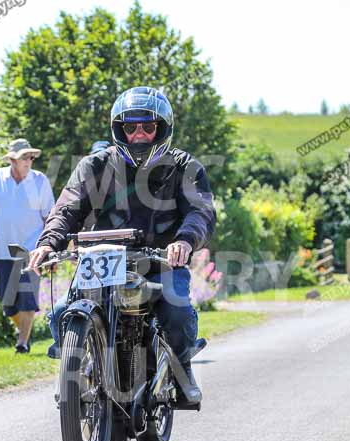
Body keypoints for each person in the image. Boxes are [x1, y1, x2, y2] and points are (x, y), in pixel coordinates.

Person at [27, 86, 216, 405]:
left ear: (162, 128)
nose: (139, 134)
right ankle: (81, 371)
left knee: (177, 312)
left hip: (160, 261)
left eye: (147, 126)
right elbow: (68, 208)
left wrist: (184, 240)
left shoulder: (184, 166)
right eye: (130, 127)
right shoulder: (94, 166)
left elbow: (200, 210)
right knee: (61, 311)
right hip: (103, 260)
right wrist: (48, 243)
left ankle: (182, 369)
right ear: (120, 130)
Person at [0, 138, 55, 353]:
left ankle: (22, 343)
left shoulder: (40, 181)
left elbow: (49, 217)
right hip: (4, 250)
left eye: (31, 157)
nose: (29, 161)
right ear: (12, 159)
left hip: (32, 251)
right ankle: (25, 332)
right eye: (24, 157)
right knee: (7, 301)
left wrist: (49, 247)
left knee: (28, 300)